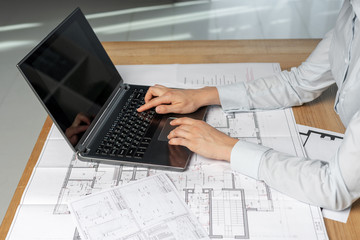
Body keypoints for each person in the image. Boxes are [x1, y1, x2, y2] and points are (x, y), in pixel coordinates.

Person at [137, 0, 360, 211]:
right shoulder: (351, 12)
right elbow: (299, 83)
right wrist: (202, 96)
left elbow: (334, 187)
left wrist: (227, 147)